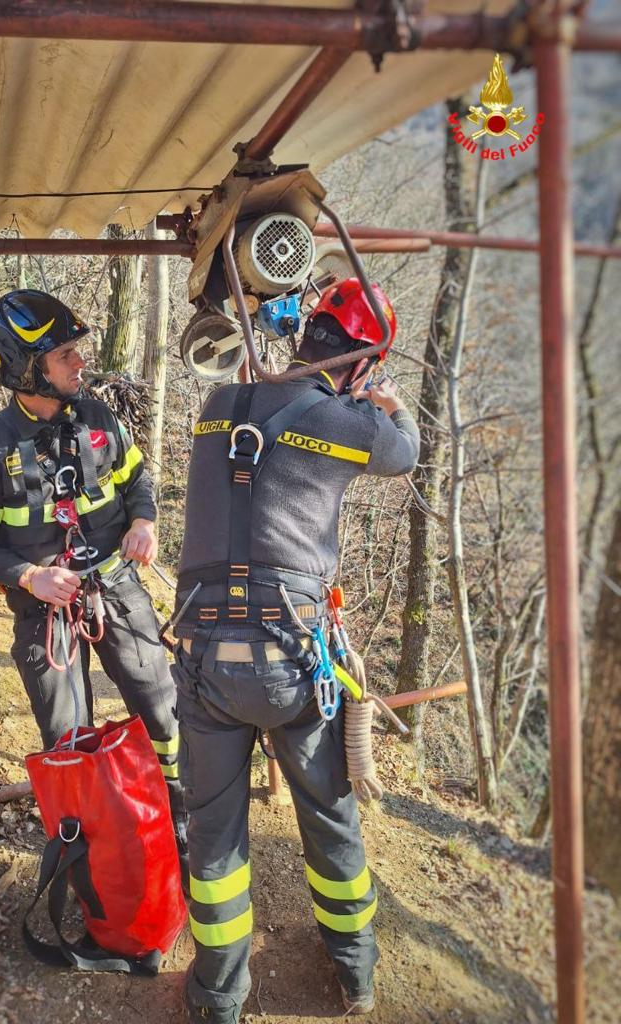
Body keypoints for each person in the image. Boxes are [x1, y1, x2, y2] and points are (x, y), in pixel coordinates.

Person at [172, 277, 420, 1021]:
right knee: (329, 816)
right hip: (289, 661)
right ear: (362, 360)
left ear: (307, 336)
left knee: (215, 837)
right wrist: (388, 402)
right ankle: (356, 972)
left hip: (207, 659)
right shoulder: (353, 422)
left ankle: (217, 995)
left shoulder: (219, 406)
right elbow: (405, 454)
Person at [0, 289, 186, 872]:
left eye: (77, 352)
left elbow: (137, 482)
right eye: (66, 356)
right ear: (30, 370)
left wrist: (145, 521)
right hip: (45, 612)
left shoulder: (100, 419)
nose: (81, 363)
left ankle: (180, 813)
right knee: (67, 735)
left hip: (119, 590)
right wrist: (28, 575)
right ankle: (95, 849)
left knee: (160, 706)